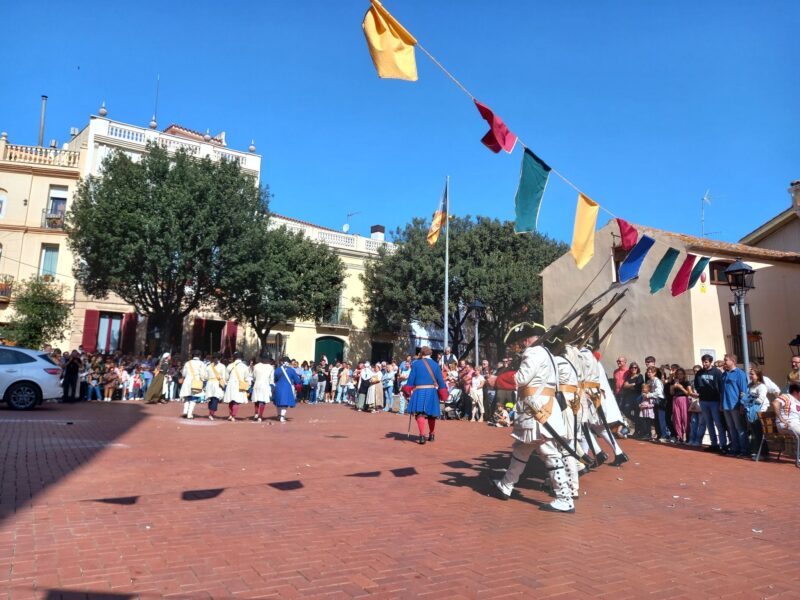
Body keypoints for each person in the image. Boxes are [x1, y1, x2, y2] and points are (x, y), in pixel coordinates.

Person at [489, 323, 575, 513]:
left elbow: (522, 379)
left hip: (536, 409)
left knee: (548, 451)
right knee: (521, 449)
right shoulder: (548, 355)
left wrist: (498, 380)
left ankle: (564, 497)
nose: (520, 345)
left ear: (527, 339)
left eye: (521, 341)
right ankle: (506, 484)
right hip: (540, 407)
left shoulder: (533, 353)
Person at [403, 346, 446, 445]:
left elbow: (411, 380)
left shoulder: (416, 364)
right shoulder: (435, 365)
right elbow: (441, 381)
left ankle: (422, 436)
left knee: (419, 413)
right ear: (430, 354)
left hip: (419, 390)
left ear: (422, 354)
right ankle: (432, 434)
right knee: (432, 415)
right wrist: (443, 393)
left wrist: (407, 391)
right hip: (432, 391)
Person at [720, 353, 749, 457]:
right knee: (731, 428)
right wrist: (721, 404)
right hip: (726, 405)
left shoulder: (740, 373)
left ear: (733, 361)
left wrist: (742, 405)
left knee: (739, 428)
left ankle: (744, 450)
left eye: (726, 360)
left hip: (736, 406)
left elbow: (744, 390)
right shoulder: (724, 374)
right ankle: (735, 448)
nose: (724, 362)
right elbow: (722, 391)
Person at [745, 367, 770, 459]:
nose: (750, 376)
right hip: (750, 411)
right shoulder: (749, 386)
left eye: (752, 374)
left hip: (759, 411)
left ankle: (762, 453)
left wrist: (748, 398)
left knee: (758, 432)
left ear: (758, 376)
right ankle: (761, 452)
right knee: (754, 432)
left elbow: (760, 399)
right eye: (750, 374)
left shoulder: (762, 386)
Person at [179, 349, 208, 419]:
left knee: (186, 396)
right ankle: (189, 414)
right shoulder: (201, 363)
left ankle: (185, 411)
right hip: (196, 381)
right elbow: (203, 375)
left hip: (187, 381)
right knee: (194, 397)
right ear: (200, 356)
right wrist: (204, 380)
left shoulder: (187, 363)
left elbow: (184, 373)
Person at [223, 352, 250, 421]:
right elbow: (247, 378)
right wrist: (247, 385)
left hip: (230, 384)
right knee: (236, 401)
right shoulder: (245, 367)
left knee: (231, 400)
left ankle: (230, 415)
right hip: (239, 384)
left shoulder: (230, 365)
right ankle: (233, 416)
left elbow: (226, 377)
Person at [274, 356, 301, 422]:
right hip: (287, 388)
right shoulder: (291, 370)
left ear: (282, 362)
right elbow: (297, 381)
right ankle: (282, 417)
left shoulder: (278, 369)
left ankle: (279, 415)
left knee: (279, 402)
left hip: (278, 387)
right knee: (285, 403)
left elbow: (275, 378)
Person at [670, 368, 693, 444]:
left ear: (684, 375)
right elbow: (671, 393)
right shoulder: (674, 382)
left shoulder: (687, 382)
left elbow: (689, 393)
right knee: (677, 419)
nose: (679, 375)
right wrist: (673, 387)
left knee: (686, 419)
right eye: (678, 374)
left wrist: (681, 388)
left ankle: (688, 437)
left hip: (684, 400)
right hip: (676, 400)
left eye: (681, 374)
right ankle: (679, 437)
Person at [642, 366, 664, 441]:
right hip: (652, 402)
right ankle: (658, 435)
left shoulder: (657, 381)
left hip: (659, 401)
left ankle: (663, 435)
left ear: (654, 373)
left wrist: (649, 395)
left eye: (650, 372)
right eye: (648, 372)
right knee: (655, 420)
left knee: (659, 419)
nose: (648, 373)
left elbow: (659, 392)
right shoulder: (649, 381)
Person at [251, 354, 275, 422]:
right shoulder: (271, 367)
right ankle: (260, 416)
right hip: (265, 385)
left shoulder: (256, 366)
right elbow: (271, 379)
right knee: (262, 400)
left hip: (257, 384)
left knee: (256, 399)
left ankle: (256, 413)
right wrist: (272, 385)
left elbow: (253, 376)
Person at [205, 354, 227, 420]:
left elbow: (205, 376)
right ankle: (211, 413)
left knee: (212, 398)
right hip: (216, 383)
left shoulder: (208, 366)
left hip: (210, 383)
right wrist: (224, 384)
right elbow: (223, 377)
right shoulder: (222, 366)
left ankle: (211, 412)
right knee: (214, 399)